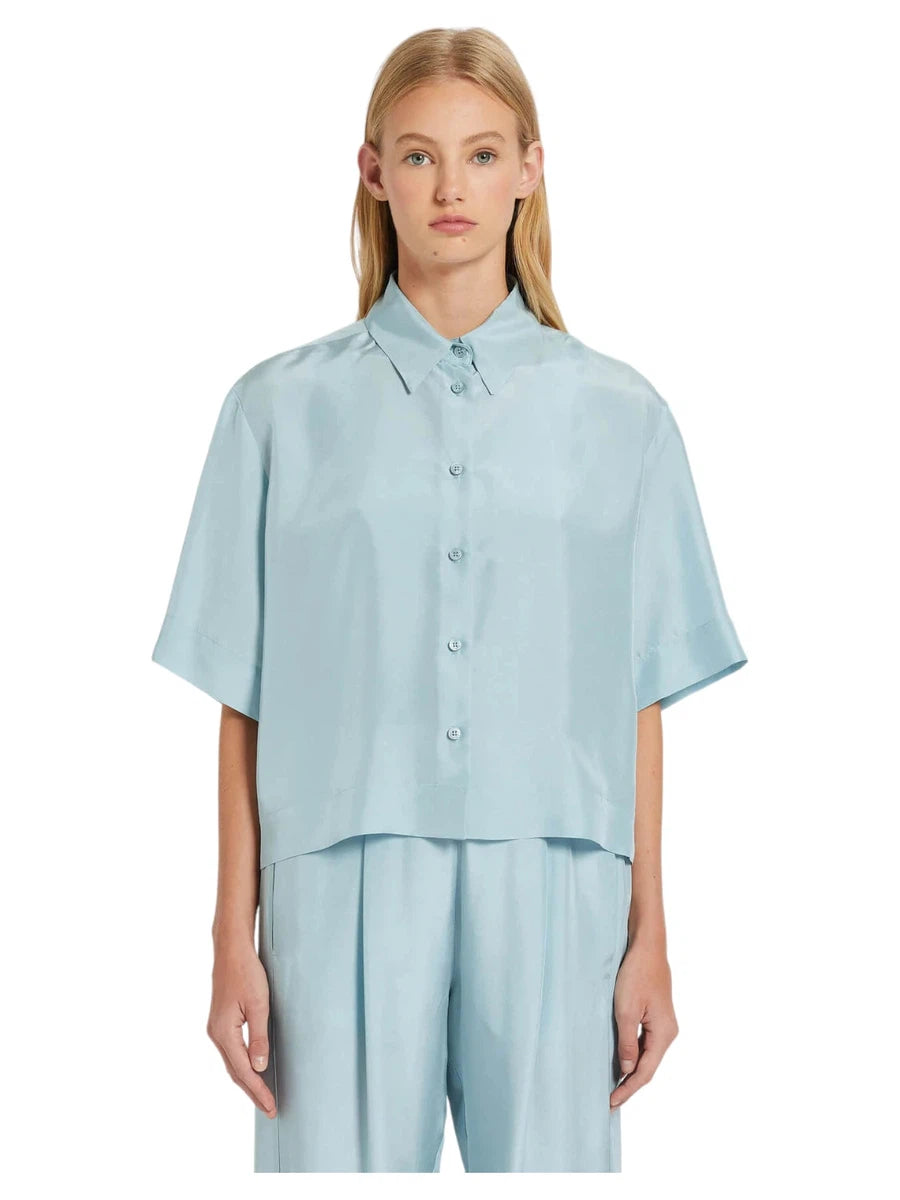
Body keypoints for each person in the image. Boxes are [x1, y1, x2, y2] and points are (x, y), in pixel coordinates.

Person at [150, 27, 748, 1173]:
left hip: (557, 867)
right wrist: (232, 934)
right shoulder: (275, 413)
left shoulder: (623, 417)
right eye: (420, 155)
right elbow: (243, 696)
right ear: (373, 170)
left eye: (481, 155)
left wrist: (652, 934)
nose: (451, 188)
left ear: (530, 168)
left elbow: (637, 697)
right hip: (338, 867)